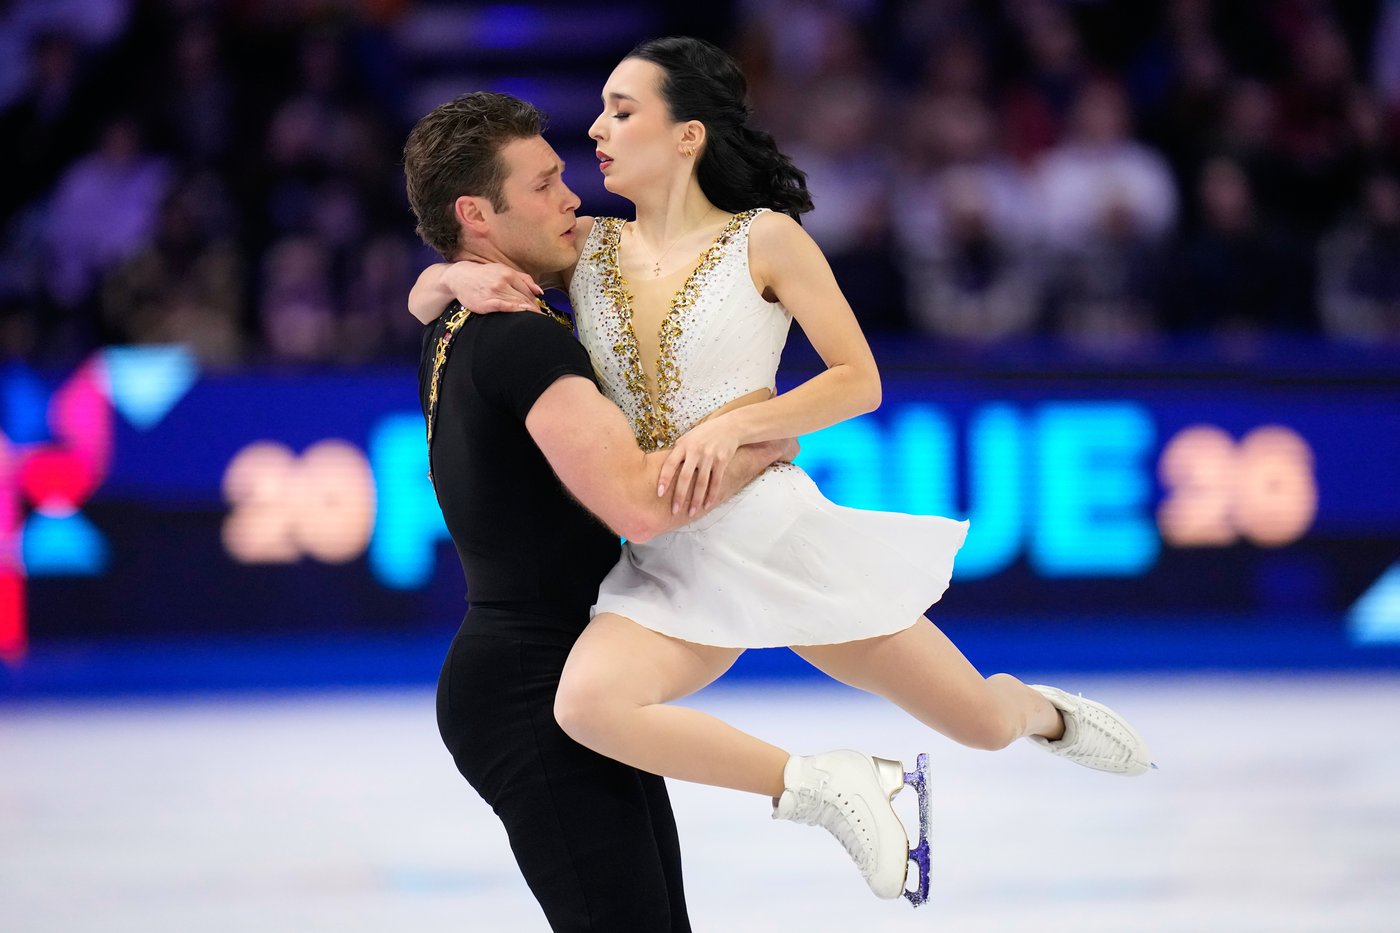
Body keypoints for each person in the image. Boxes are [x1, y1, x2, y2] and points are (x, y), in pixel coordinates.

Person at [409, 37, 1155, 905]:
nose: (596, 129)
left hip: (770, 530)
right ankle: (834, 785)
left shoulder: (765, 240)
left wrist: (744, 430)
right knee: (587, 706)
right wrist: (444, 278)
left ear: (687, 135)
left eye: (621, 110)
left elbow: (859, 381)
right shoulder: (591, 250)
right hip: (662, 561)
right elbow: (479, 265)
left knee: (980, 724)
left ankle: (1039, 710)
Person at [401, 90, 799, 932]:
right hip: (534, 686)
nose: (573, 195)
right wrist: (753, 445)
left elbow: (426, 292)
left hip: (563, 674)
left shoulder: (466, 315)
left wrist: (443, 273)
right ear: (477, 214)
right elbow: (637, 506)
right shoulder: (523, 336)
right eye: (543, 184)